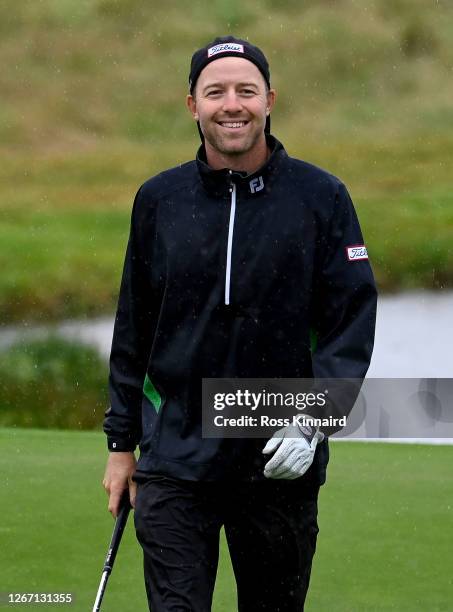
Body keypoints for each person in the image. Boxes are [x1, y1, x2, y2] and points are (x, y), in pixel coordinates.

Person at [102, 35, 377, 611]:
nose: (233, 104)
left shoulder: (321, 196)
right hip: (175, 455)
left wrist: (313, 422)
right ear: (192, 105)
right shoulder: (159, 198)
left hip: (278, 458)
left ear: (269, 100)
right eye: (216, 92)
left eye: (246, 91)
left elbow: (349, 326)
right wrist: (121, 444)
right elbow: (135, 326)